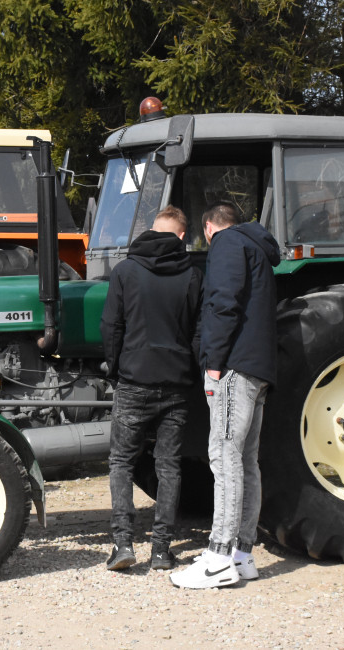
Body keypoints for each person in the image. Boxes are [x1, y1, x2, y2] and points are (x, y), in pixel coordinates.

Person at [170, 201, 280, 589]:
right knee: (246, 460)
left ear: (209, 229)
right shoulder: (258, 249)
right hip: (260, 367)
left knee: (224, 456)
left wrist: (213, 362)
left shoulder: (228, 245)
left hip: (234, 366)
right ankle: (242, 555)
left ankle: (218, 558)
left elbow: (223, 304)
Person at [100, 206, 202, 572]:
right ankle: (161, 550)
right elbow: (196, 333)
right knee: (169, 466)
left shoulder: (126, 271)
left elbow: (111, 325)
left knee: (121, 462)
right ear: (180, 236)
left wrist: (116, 368)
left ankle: (123, 544)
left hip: (134, 379)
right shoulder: (191, 275)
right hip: (175, 384)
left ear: (152, 231)